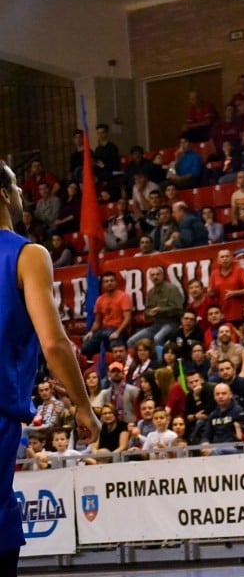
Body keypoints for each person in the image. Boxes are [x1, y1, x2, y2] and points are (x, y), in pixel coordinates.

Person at [0, 162, 100, 568]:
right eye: (17, 187)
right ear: (4, 194)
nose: (24, 193)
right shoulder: (26, 254)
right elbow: (55, 343)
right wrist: (82, 404)